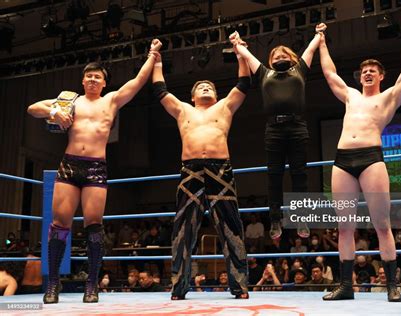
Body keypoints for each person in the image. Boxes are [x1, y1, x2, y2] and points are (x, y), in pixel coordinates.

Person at [27, 39, 162, 304]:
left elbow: (137, 82)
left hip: (95, 168)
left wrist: (152, 55)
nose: (91, 79)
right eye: (87, 76)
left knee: (94, 225)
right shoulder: (70, 101)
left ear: (103, 82)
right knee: (59, 224)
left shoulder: (111, 101)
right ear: (82, 81)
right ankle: (53, 284)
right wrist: (54, 111)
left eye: (96, 76)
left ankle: (92, 284)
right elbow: (32, 109)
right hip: (69, 164)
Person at [318, 15, 401, 303]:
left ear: (381, 76)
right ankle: (345, 286)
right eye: (364, 70)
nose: (366, 73)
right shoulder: (351, 96)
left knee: (382, 224)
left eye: (372, 70)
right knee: (344, 226)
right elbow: (330, 74)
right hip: (342, 160)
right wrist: (322, 42)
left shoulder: (389, 97)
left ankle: (392, 285)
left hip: (371, 159)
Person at [151, 36, 251, 300]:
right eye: (201, 86)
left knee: (230, 225)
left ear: (216, 95)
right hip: (191, 169)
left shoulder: (225, 106)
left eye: (210, 86)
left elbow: (244, 83)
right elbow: (160, 90)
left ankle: (239, 285)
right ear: (193, 96)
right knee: (183, 227)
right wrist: (157, 61)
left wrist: (241, 55)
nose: (206, 88)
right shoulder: (183, 109)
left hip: (221, 170)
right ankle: (179, 286)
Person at [230, 24, 325, 240]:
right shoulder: (264, 72)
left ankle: (301, 217)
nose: (279, 56)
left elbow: (310, 49)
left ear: (291, 57)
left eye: (283, 53)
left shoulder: (299, 68)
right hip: (273, 129)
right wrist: (237, 42)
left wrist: (319, 34)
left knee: (299, 175)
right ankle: (275, 218)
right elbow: (247, 54)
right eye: (275, 55)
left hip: (297, 127)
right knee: (274, 176)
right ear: (270, 61)